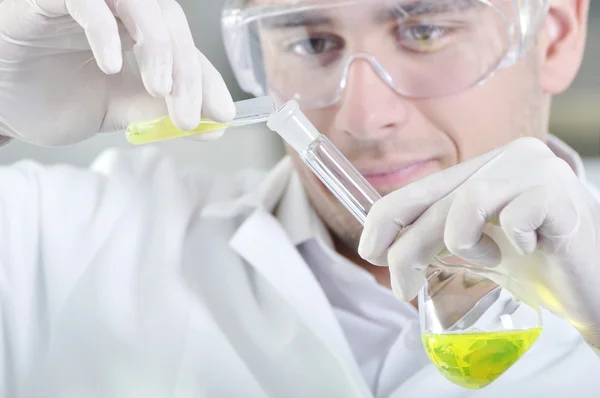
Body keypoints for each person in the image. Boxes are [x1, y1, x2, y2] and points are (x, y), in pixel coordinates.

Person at [0, 0, 598, 396]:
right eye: (312, 43)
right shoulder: (62, 242)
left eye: (425, 31)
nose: (365, 117)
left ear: (556, 37)